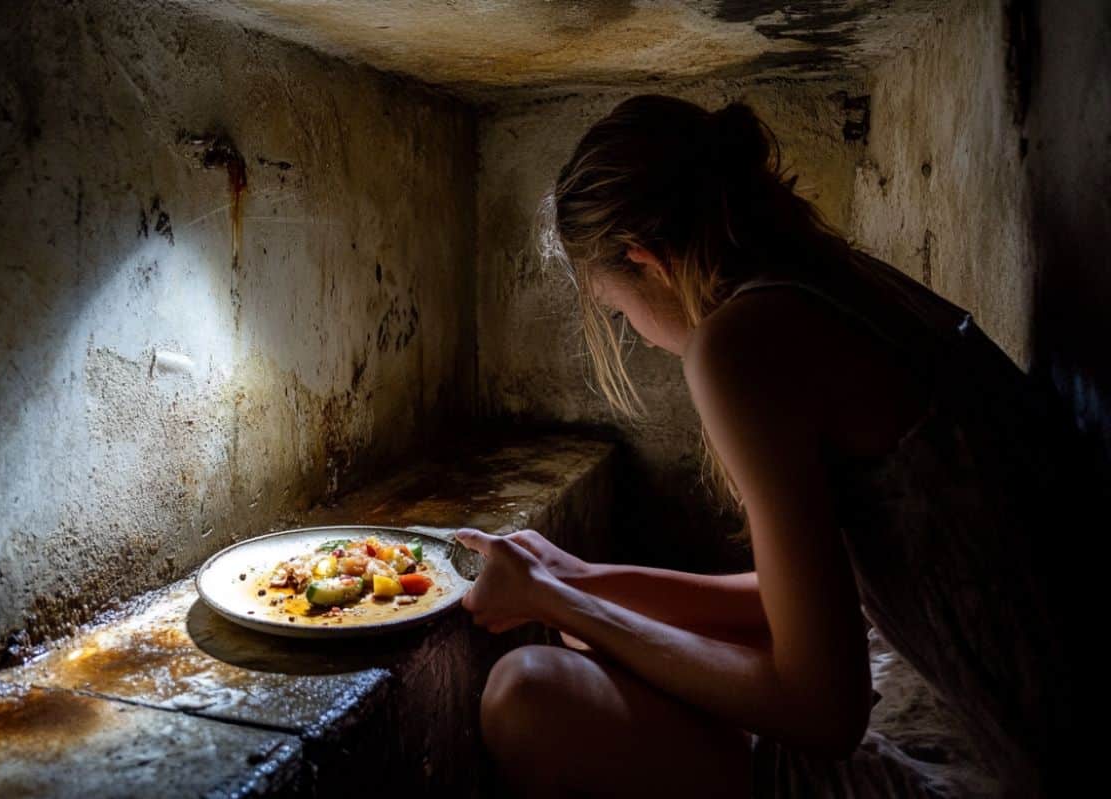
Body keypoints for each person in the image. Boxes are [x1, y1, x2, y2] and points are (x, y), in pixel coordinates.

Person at [454, 95, 1089, 798]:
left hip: (1017, 760)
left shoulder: (738, 343)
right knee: (595, 643)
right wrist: (576, 580)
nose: (635, 330)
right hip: (1027, 699)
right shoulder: (836, 282)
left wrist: (564, 604)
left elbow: (824, 710)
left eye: (618, 310)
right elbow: (797, 603)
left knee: (528, 694)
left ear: (648, 259)